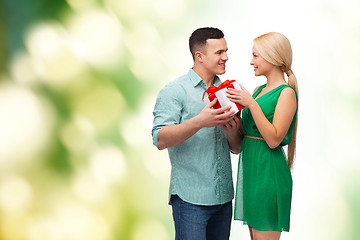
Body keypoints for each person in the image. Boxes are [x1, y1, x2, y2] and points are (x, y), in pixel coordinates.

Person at [152, 27, 242, 240]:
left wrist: (233, 133)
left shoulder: (229, 91)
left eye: (226, 51)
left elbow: (237, 148)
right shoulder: (174, 91)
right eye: (219, 52)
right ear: (199, 56)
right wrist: (200, 122)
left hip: (223, 198)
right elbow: (160, 138)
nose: (226, 57)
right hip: (190, 200)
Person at [226, 32, 298, 240]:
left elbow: (274, 139)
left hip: (269, 175)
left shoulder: (286, 93)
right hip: (251, 174)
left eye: (256, 56)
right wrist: (233, 127)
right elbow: (246, 140)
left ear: (273, 57)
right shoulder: (257, 91)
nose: (251, 61)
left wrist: (250, 104)